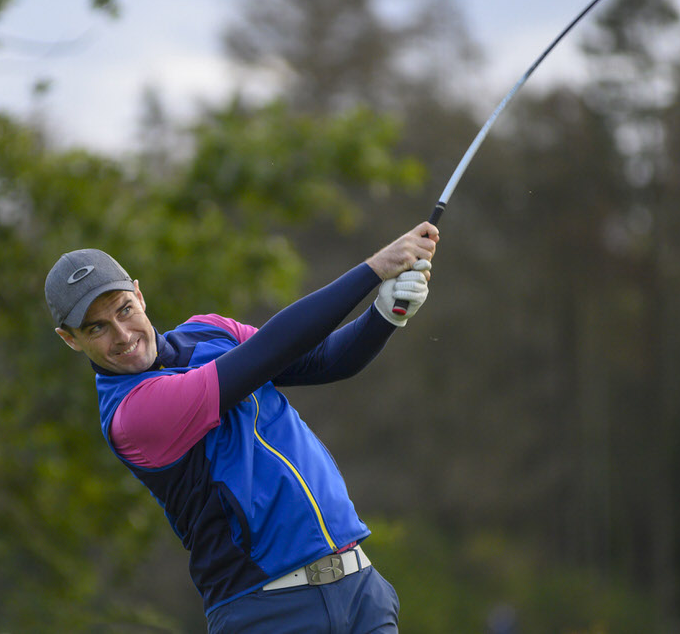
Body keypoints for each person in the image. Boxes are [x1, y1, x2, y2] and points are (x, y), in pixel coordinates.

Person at [44, 222, 440, 633]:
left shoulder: (210, 331)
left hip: (360, 592)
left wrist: (383, 315)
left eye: (124, 309)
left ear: (140, 295)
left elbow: (324, 360)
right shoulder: (132, 414)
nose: (123, 334)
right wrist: (374, 269)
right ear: (70, 339)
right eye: (97, 327)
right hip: (266, 613)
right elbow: (266, 355)